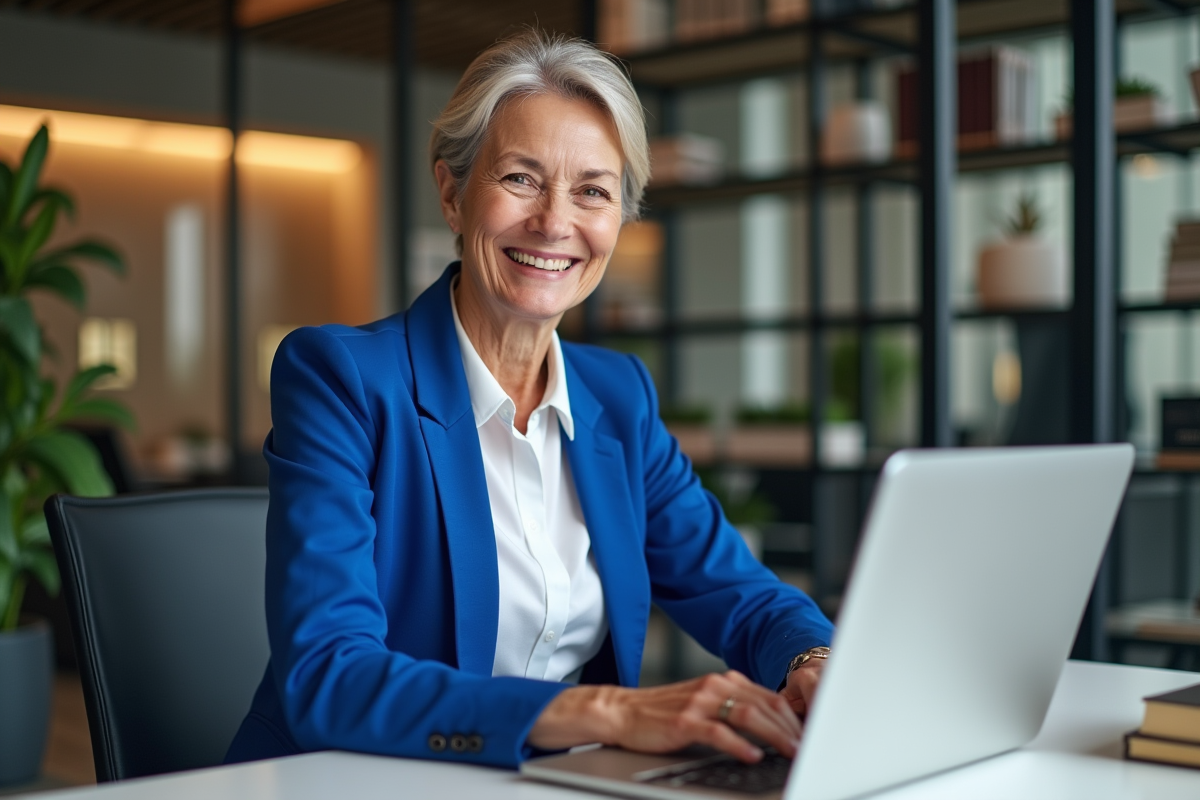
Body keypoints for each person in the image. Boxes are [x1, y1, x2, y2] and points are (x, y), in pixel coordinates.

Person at [226, 29, 833, 770]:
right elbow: (328, 676)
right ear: (452, 193)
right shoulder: (342, 378)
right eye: (520, 178)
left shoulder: (620, 397)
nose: (555, 221)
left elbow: (740, 593)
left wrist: (811, 659)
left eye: (593, 191)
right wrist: (606, 711)